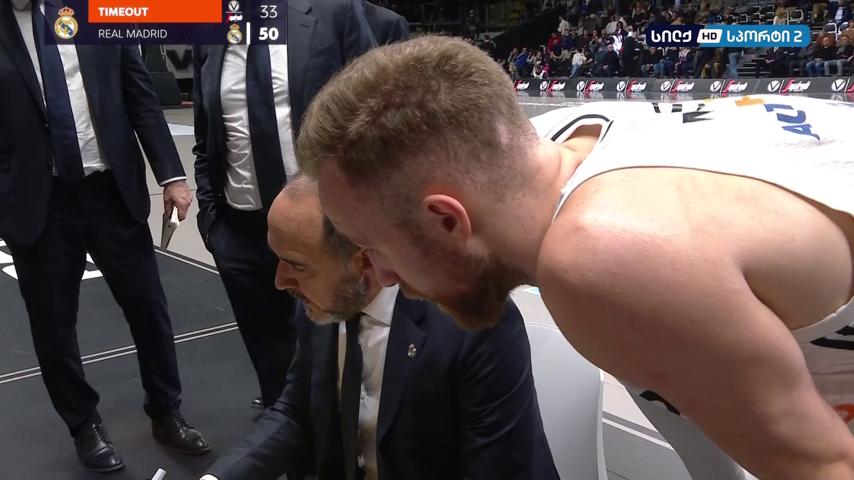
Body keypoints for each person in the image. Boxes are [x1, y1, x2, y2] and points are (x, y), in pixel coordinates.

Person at [297, 36, 854, 479]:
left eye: (376, 247)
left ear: (446, 220)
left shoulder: (603, 255)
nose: (383, 275)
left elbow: (827, 467)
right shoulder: (561, 140)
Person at [198, 177, 559, 480]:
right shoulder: (323, 299)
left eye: (298, 265)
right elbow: (296, 412)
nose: (280, 281)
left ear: (365, 262)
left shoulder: (474, 325)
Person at [0, 0, 209, 472]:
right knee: (53, 325)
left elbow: (139, 95)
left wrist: (171, 174)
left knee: (149, 307)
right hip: (39, 202)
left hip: (112, 192)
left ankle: (166, 410)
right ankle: (83, 424)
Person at [192, 0, 376, 409]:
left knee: (341, 353)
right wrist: (211, 222)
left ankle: (343, 433)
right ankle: (284, 423)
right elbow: (206, 139)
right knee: (270, 357)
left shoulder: (333, 13)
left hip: (324, 232)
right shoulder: (210, 30)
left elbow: (377, 114)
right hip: (239, 233)